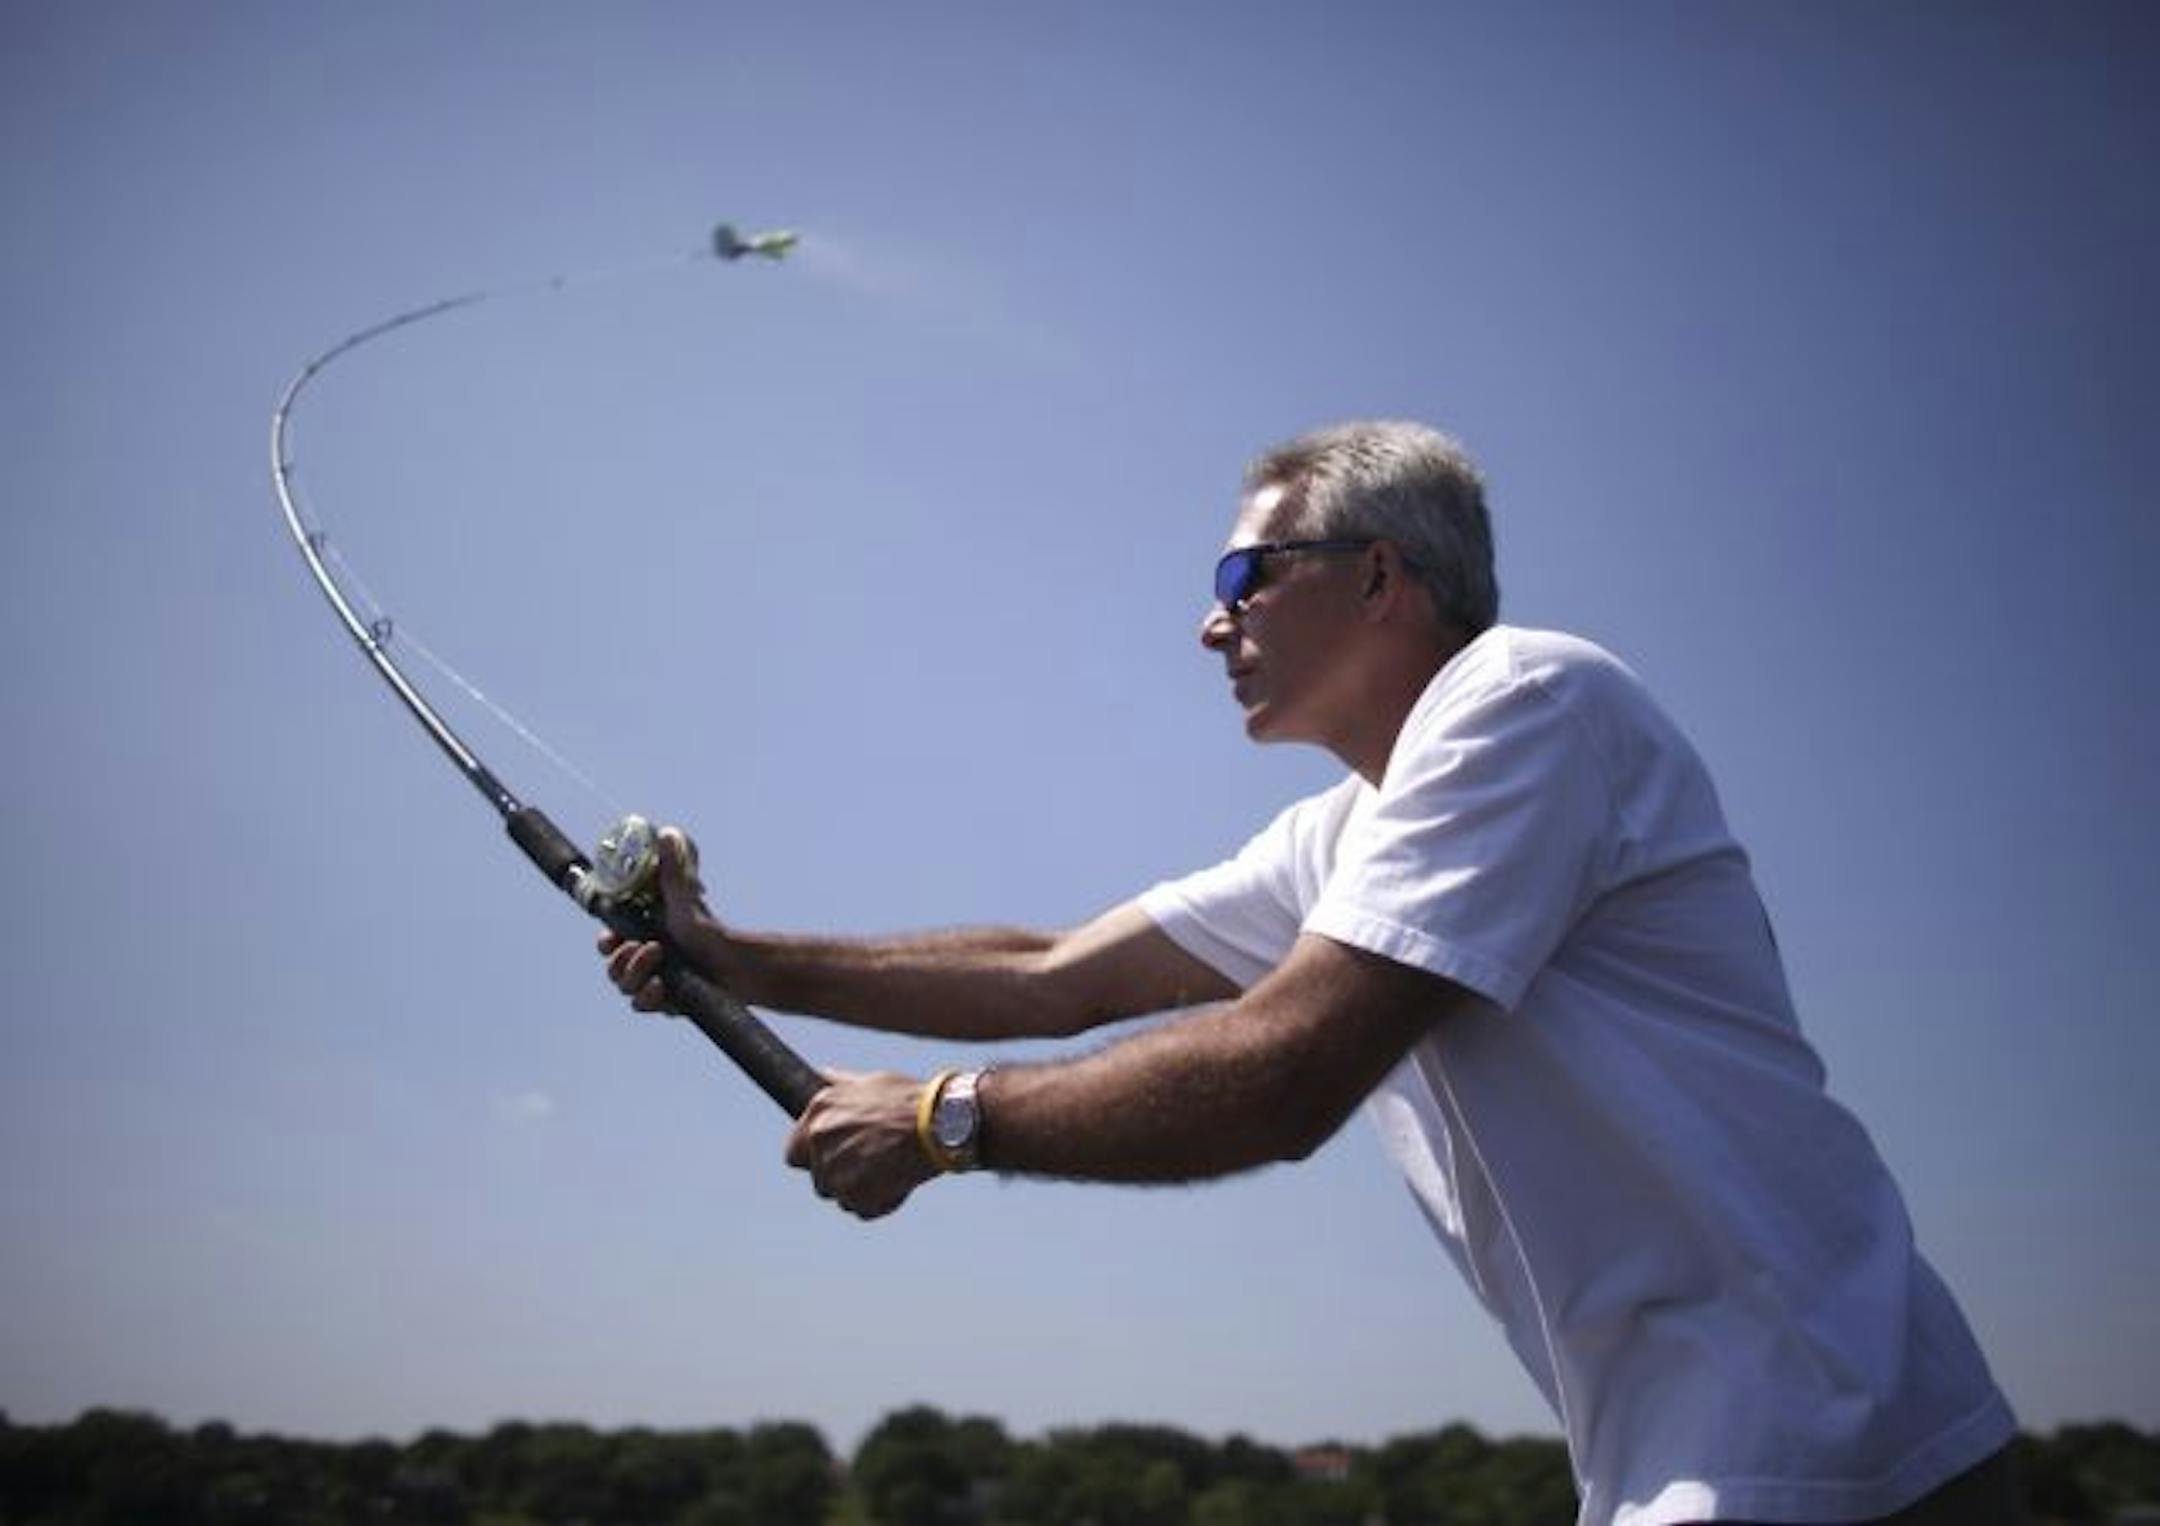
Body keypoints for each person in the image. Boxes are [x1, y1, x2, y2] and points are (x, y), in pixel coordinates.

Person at [600, 422, 2021, 1526]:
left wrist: (940, 1119)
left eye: (1241, 577)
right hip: (1711, 1463)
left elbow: (1285, 1071)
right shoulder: (1348, 828)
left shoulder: (1524, 703)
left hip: (1838, 1450)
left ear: (1382, 574)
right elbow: (1054, 973)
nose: (1212, 624)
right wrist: (732, 956)